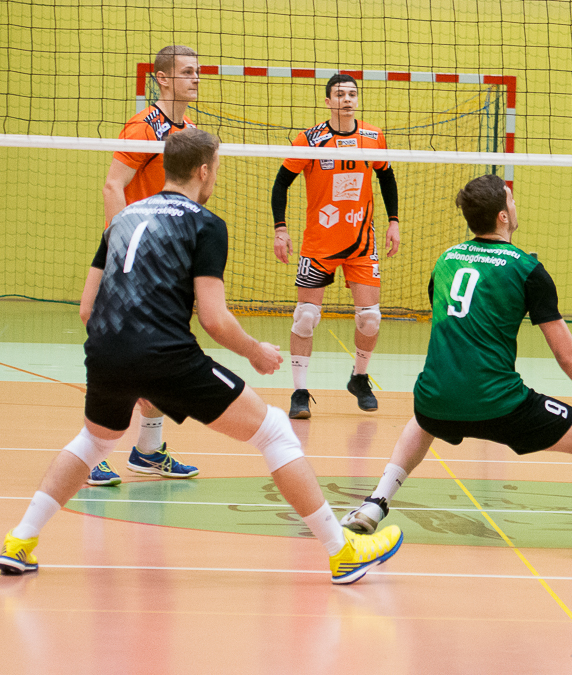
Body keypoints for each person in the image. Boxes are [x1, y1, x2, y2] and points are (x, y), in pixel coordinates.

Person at [0, 129, 402, 584]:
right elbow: (214, 319)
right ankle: (342, 551)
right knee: (275, 431)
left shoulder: (123, 218)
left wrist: (128, 364)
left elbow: (87, 309)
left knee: (93, 442)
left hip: (106, 350)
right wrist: (255, 352)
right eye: (217, 168)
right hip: (165, 354)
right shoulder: (205, 224)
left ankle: (20, 540)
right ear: (203, 171)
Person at [340, 174, 572, 558]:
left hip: (435, 400)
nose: (515, 207)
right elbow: (568, 355)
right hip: (500, 405)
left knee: (425, 417)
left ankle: (375, 503)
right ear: (503, 216)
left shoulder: (446, 260)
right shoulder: (527, 269)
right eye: (511, 202)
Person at [87, 45, 205, 487]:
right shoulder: (143, 128)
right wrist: (121, 249)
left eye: (197, 72)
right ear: (163, 78)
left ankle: (148, 451)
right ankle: (92, 453)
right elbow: (112, 185)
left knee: (161, 351)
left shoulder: (188, 132)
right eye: (187, 72)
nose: (195, 78)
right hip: (132, 259)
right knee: (117, 355)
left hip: (167, 261)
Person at [272, 74, 401, 419]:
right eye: (340, 94)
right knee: (306, 317)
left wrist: (394, 221)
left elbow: (386, 176)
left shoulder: (372, 136)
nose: (347, 99)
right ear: (328, 101)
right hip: (319, 244)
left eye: (352, 94)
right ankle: (299, 392)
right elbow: (281, 183)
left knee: (370, 319)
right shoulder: (310, 140)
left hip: (362, 242)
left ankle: (359, 378)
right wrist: (280, 229)